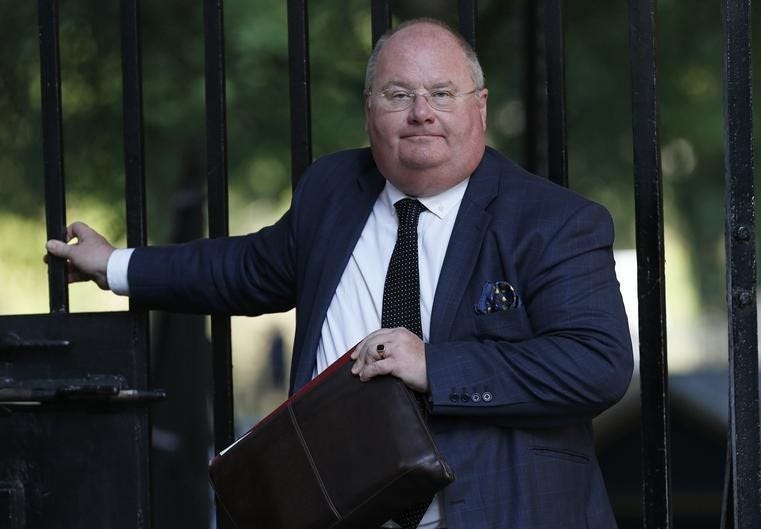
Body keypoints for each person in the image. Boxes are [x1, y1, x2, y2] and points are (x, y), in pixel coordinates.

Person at [46, 18, 633, 529]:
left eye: (441, 92)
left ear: (478, 105)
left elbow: (597, 365)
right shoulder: (333, 191)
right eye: (398, 93)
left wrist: (435, 365)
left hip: (501, 512)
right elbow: (245, 268)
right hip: (340, 512)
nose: (421, 112)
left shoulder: (553, 221)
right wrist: (115, 265)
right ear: (370, 108)